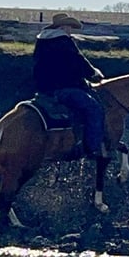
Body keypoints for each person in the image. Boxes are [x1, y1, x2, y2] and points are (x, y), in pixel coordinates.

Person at [33, 12, 106, 159]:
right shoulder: (64, 41)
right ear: (62, 27)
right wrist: (93, 73)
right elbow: (78, 61)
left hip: (44, 90)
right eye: (68, 27)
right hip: (65, 89)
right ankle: (92, 148)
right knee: (94, 109)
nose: (70, 30)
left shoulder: (41, 42)